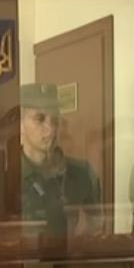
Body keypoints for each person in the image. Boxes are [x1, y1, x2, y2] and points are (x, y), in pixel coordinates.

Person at [16, 82, 101, 234]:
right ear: (20, 124)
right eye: (39, 118)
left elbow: (97, 225)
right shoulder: (8, 178)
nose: (50, 128)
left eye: (54, 119)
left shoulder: (81, 173)